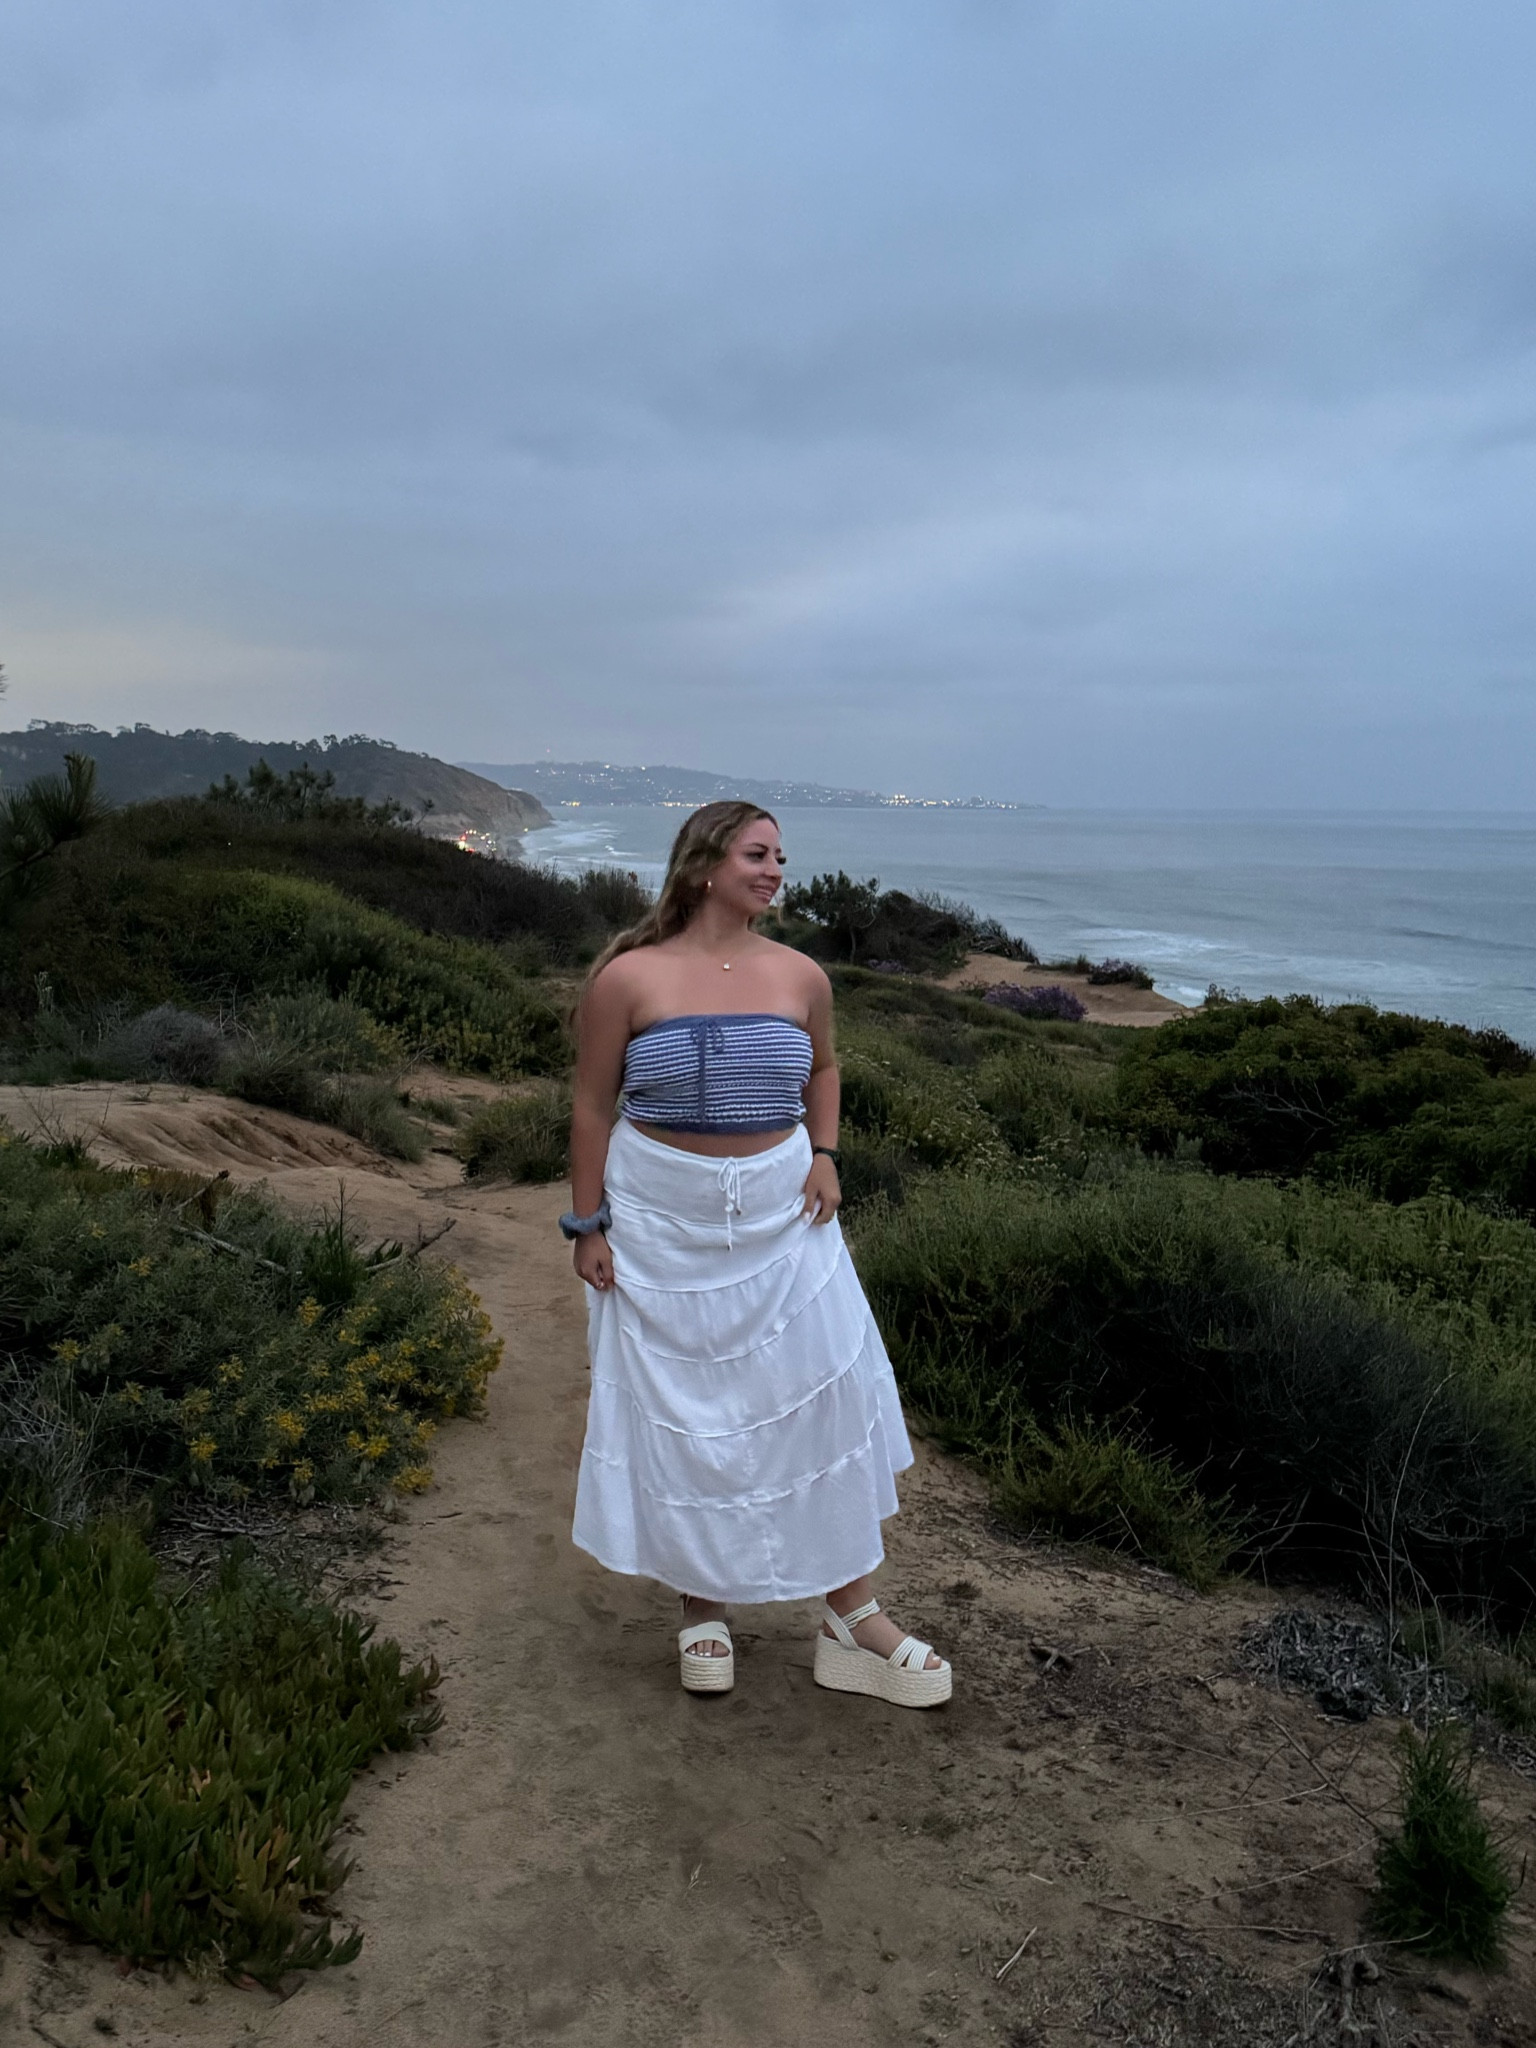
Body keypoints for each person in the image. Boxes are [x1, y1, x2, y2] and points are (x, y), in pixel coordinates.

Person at [564, 800, 951, 1707]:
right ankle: (705, 1607)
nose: (777, 870)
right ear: (704, 866)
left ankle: (850, 1618)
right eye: (757, 854)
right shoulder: (628, 977)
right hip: (661, 1221)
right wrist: (588, 1226)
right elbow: (590, 1106)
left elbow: (823, 1068)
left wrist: (826, 1154)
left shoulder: (802, 974)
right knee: (696, 1407)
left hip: (786, 1217)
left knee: (818, 1397)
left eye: (781, 856)